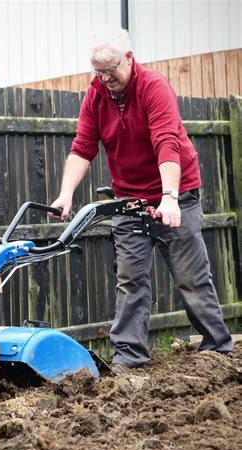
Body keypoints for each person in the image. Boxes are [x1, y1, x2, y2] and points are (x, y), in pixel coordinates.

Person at [50, 26, 233, 373]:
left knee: (191, 276)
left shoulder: (153, 87)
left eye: (110, 69)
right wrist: (66, 194)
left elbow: (168, 142)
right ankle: (129, 357)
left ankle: (218, 350)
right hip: (130, 201)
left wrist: (169, 198)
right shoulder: (95, 97)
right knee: (130, 279)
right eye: (97, 71)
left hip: (175, 194)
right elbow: (82, 148)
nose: (105, 78)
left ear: (129, 59)